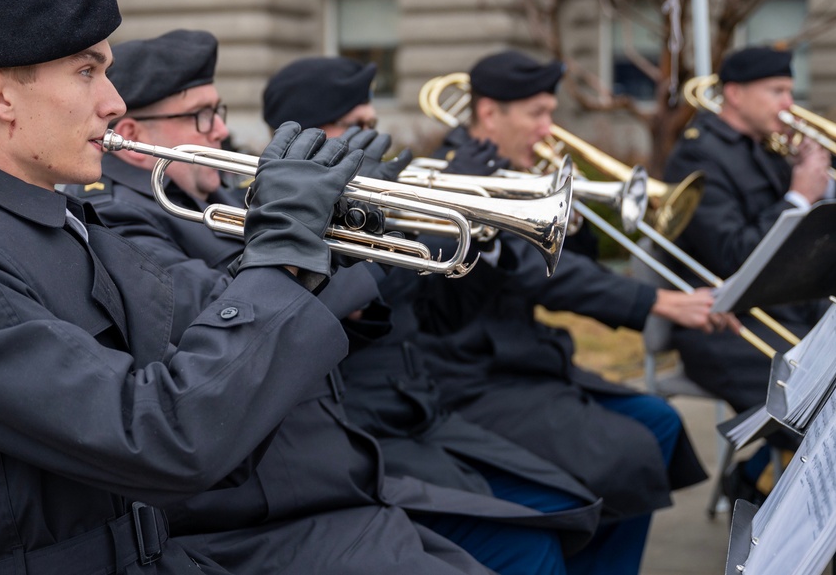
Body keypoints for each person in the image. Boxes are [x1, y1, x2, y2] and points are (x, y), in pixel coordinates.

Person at [0, 0, 364, 575]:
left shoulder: (56, 221)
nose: (115, 102)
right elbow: (161, 440)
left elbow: (206, 324)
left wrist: (319, 244)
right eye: (86, 72)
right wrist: (282, 254)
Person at [75, 34, 601, 575]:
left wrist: (351, 227)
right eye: (201, 116)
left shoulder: (220, 196)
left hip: (334, 458)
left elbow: (362, 309)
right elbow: (229, 312)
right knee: (535, 543)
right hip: (265, 496)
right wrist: (322, 236)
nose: (222, 130)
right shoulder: (119, 217)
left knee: (549, 532)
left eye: (219, 111)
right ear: (134, 137)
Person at [415, 49, 724, 574]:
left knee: (660, 423)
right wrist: (653, 300)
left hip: (527, 360)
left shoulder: (520, 169)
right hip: (470, 371)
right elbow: (527, 272)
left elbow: (561, 265)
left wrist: (568, 212)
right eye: (536, 113)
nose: (548, 126)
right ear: (489, 114)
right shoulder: (447, 174)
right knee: (625, 454)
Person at [663, 44, 833, 499]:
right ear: (734, 94)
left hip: (787, 308)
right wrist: (799, 197)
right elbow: (730, 254)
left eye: (789, 91)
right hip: (724, 325)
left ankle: (757, 473)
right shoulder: (696, 157)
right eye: (776, 90)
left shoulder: (766, 149)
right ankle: (770, 488)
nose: (789, 105)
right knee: (813, 413)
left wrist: (819, 187)